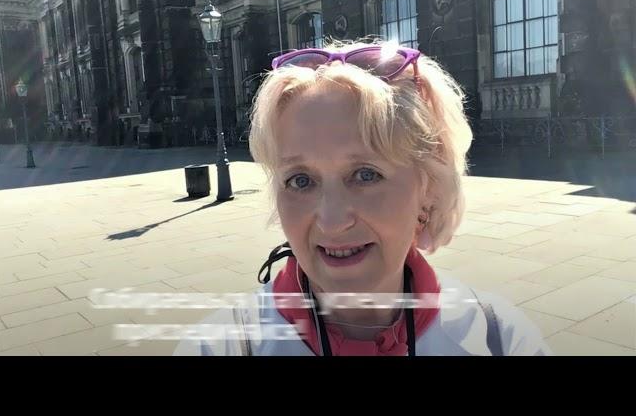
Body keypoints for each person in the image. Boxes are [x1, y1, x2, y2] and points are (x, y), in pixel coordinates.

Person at [174, 40, 552, 356]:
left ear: (429, 188)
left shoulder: (499, 339)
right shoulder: (223, 346)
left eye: (366, 175)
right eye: (300, 180)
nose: (332, 220)